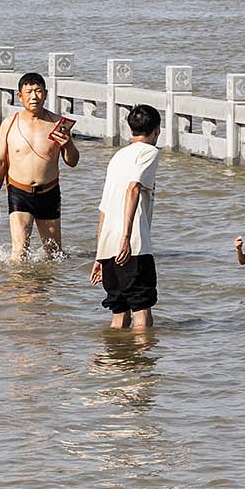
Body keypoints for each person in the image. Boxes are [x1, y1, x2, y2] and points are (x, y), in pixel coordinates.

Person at [0, 72, 80, 257]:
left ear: (45, 94)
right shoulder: (9, 124)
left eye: (38, 91)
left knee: (54, 254)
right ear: (20, 96)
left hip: (49, 192)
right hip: (19, 192)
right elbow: (0, 162)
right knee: (20, 251)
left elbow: (72, 162)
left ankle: (48, 286)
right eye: (28, 92)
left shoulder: (57, 123)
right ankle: (22, 286)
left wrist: (68, 144)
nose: (34, 96)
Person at [89, 103, 159, 329]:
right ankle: (142, 360)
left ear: (131, 130)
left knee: (119, 311)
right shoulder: (149, 152)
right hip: (133, 245)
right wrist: (126, 238)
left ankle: (114, 360)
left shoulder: (118, 156)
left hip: (108, 245)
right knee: (141, 307)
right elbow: (133, 189)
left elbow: (104, 207)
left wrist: (100, 255)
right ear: (156, 131)